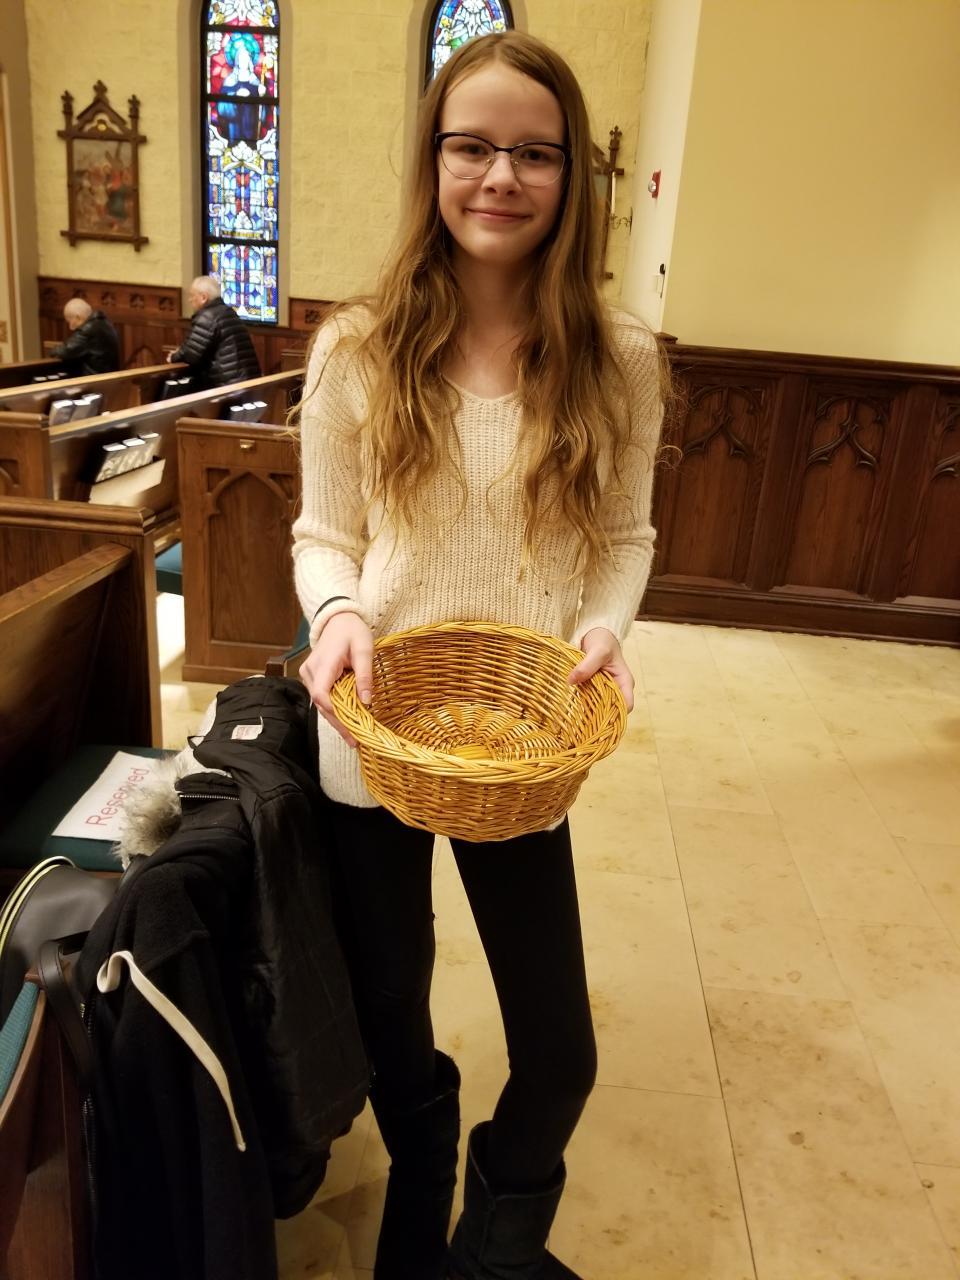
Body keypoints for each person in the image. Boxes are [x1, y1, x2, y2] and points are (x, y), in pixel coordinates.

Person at [292, 30, 664, 1280]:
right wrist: (338, 613)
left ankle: (492, 1250)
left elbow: (625, 537)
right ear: (433, 161)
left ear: (572, 175)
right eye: (472, 146)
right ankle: (419, 1178)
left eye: (534, 153)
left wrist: (603, 627)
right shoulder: (357, 346)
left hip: (516, 742)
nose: (501, 175)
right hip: (374, 731)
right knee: (391, 1014)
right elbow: (326, 533)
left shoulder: (619, 358)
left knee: (559, 1052)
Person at [168, 276, 261, 388]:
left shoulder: (208, 316)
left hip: (229, 384)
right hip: (247, 379)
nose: (190, 300)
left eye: (192, 295)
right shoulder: (228, 312)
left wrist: (174, 357)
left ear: (203, 297)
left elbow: (191, 354)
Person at [52, 298, 120, 375]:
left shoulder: (88, 330)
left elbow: (65, 351)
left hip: (95, 379)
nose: (70, 327)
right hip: (110, 377)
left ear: (78, 317)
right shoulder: (105, 323)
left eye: (69, 321)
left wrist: (53, 350)